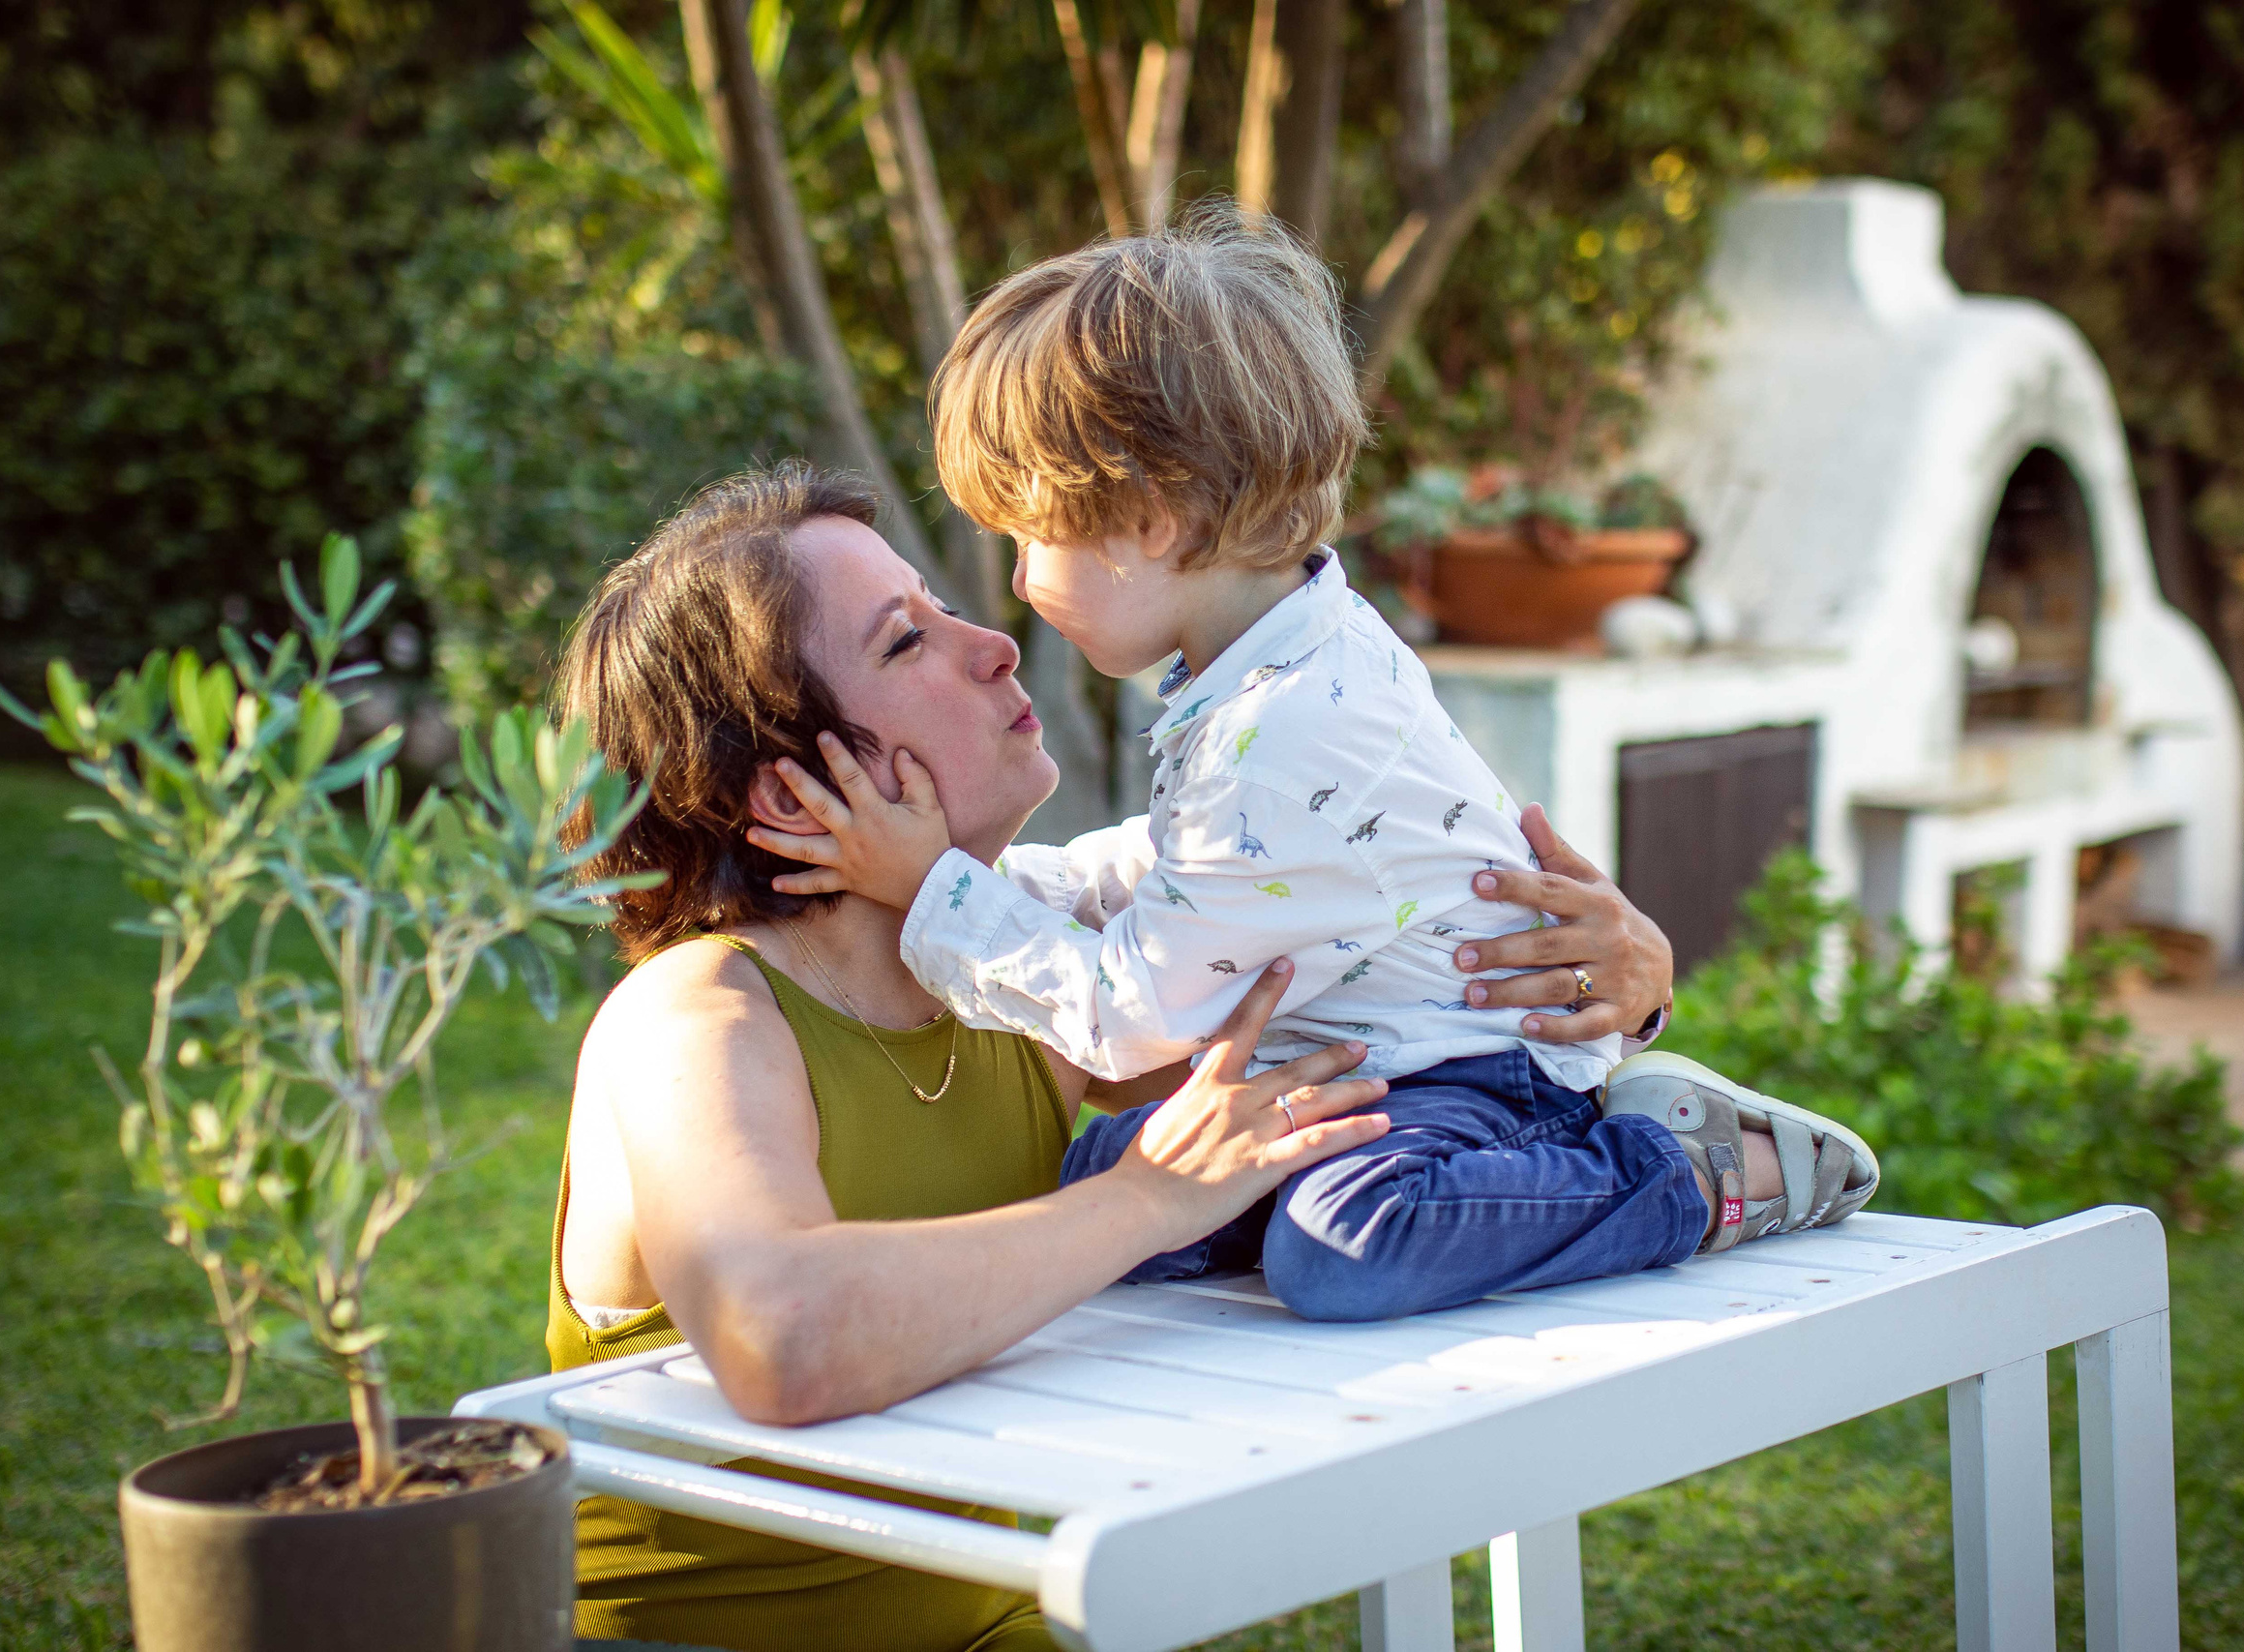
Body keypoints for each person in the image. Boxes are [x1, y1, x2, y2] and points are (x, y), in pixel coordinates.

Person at [550, 461, 1682, 1650]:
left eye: (945, 608)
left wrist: (1624, 987)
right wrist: (1144, 1199)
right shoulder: (698, 1017)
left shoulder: (1032, 987)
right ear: (791, 796)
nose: (994, 643)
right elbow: (781, 1341)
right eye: (905, 642)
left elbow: (1398, 1070)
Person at [751, 209, 1880, 1324]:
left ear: (1147, 520)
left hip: (1472, 1078)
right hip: (1363, 1066)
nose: (1017, 585)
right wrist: (992, 881)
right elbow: (1182, 869)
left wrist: (935, 892)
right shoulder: (1275, 666)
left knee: (1343, 1247)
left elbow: (1134, 1014)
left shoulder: (1284, 732)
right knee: (1103, 1179)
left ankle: (1687, 1172)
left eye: (1029, 536)